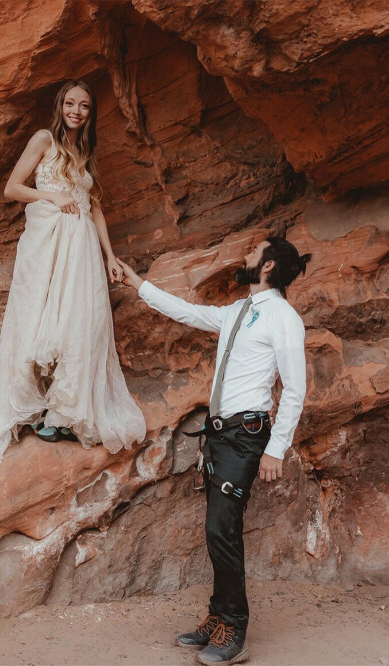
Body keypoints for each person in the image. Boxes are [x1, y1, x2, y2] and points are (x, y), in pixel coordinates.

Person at [116, 237, 311, 666]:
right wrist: (137, 284)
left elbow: (295, 389)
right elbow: (188, 312)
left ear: (268, 266)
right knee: (216, 528)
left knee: (222, 529)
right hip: (221, 435)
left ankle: (234, 627)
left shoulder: (284, 319)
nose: (244, 256)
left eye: (253, 252)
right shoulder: (240, 311)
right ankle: (218, 614)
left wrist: (276, 449)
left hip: (247, 436)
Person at [0, 79, 145, 465]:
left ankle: (64, 412)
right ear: (61, 106)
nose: (77, 111)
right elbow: (12, 188)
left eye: (85, 107)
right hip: (47, 245)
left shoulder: (85, 150)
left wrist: (110, 256)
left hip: (81, 251)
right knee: (38, 319)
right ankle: (34, 406)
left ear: (90, 114)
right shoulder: (44, 139)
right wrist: (52, 195)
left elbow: (94, 208)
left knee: (79, 323)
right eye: (71, 104)